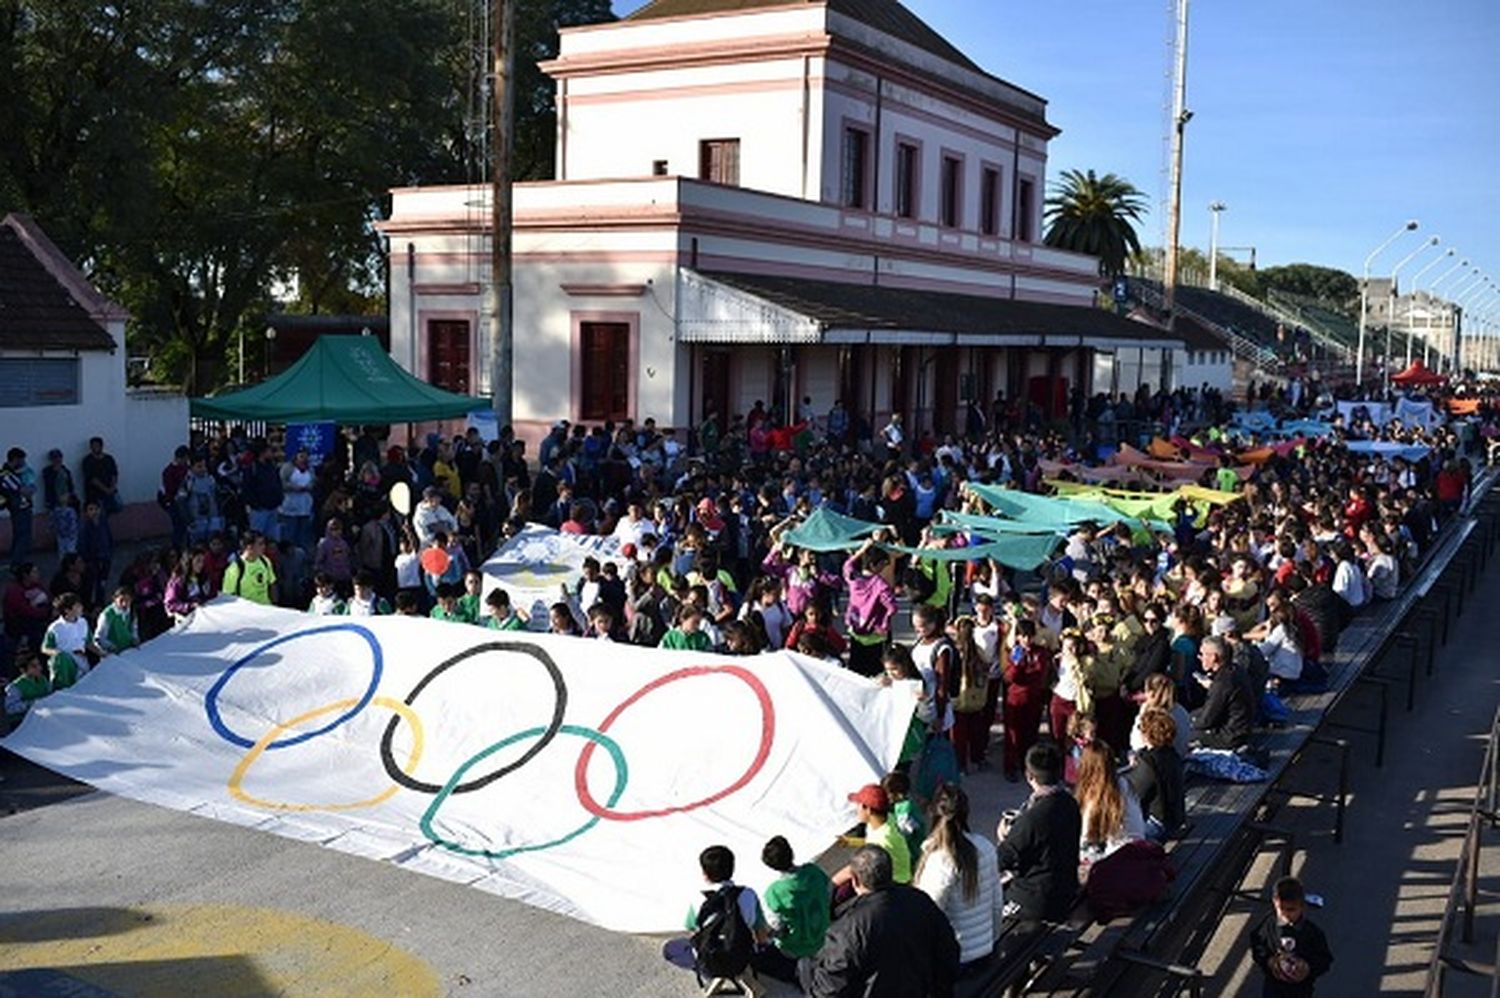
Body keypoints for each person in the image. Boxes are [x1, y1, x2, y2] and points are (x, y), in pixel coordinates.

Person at [800, 845, 960, 998]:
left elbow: (828, 989)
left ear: (854, 880)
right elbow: (949, 950)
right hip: (918, 989)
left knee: (805, 965)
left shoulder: (848, 930)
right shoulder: (919, 900)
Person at [914, 785, 1002, 970]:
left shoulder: (940, 860)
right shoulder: (985, 847)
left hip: (954, 959)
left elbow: (926, 915)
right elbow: (996, 905)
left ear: (933, 812)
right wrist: (992, 942)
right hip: (983, 951)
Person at [997, 742, 1081, 923]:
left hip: (1035, 901)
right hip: (1065, 890)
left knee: (986, 911)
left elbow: (1000, 861)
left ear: (1029, 776)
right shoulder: (1070, 803)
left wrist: (1004, 837)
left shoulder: (1032, 818)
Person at [661, 845, 769, 980]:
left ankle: (704, 971)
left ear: (705, 874)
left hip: (710, 961)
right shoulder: (748, 894)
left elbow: (691, 927)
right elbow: (760, 930)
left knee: (670, 949)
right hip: (741, 959)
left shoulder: (698, 898)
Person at [755, 835, 832, 983]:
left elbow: (776, 926)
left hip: (794, 946)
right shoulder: (814, 871)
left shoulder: (774, 892)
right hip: (822, 934)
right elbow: (828, 892)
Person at [1250, 876, 1334, 997]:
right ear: (1275, 902)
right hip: (1273, 986)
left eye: (1291, 910)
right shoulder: (1269, 924)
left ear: (1302, 907)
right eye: (1281, 909)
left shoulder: (1312, 932)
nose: (1285, 915)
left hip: (1300, 989)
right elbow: (1257, 944)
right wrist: (1269, 961)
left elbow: (1324, 959)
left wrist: (1308, 968)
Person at [1075, 740, 1145, 866]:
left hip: (1116, 859)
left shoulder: (1095, 795)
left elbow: (1085, 837)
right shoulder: (1124, 784)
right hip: (1138, 849)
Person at [833, 783, 912, 888]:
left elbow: (871, 863)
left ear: (868, 809)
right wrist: (850, 841)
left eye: (858, 805)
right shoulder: (884, 820)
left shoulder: (884, 840)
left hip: (897, 882)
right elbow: (870, 841)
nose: (857, 810)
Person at [1003, 618, 1051, 782]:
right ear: (1017, 637)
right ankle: (1010, 766)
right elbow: (1010, 677)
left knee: (1030, 734)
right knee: (1013, 734)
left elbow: (1041, 672)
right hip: (1016, 698)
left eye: (1029, 636)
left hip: (1034, 697)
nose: (1026, 640)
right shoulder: (1015, 652)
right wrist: (1017, 663)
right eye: (1023, 636)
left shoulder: (1041, 652)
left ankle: (1028, 765)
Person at [1128, 709, 1186, 842]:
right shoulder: (1173, 755)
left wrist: (1133, 770)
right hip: (1174, 819)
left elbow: (1136, 794)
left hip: (1157, 823)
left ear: (1147, 734)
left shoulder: (1148, 762)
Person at [1191, 635, 1255, 750]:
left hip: (1230, 736)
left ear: (1213, 657)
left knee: (1186, 733)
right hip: (1243, 728)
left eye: (1202, 654)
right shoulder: (1235, 670)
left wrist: (1189, 722)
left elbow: (1207, 721)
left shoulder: (1222, 682)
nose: (1199, 657)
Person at [41, 592, 99, 689]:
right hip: (63, 665)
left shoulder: (83, 622)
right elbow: (45, 647)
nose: (81, 607)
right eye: (77, 606)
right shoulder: (55, 627)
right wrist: (58, 654)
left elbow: (89, 643)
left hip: (81, 661)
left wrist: (103, 653)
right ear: (67, 610)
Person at [1, 447, 37, 571]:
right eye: (22, 460)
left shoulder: (15, 473)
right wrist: (30, 489)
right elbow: (24, 491)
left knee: (20, 537)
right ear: (15, 459)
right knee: (23, 537)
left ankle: (17, 562)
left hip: (23, 508)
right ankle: (17, 564)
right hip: (19, 509)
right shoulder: (6, 475)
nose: (23, 463)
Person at [222, 531, 278, 606]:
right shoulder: (235, 568)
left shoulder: (265, 561)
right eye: (260, 544)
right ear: (249, 546)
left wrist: (275, 605)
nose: (264, 547)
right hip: (247, 612)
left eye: (264, 543)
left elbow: (272, 583)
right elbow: (228, 596)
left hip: (266, 609)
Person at [4, 652, 50, 731]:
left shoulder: (43, 679)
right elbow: (10, 709)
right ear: (23, 670)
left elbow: (49, 694)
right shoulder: (15, 687)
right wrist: (31, 703)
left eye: (39, 664)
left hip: (41, 718)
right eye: (34, 666)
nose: (39, 668)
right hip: (22, 723)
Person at [94, 586, 140, 656]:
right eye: (121, 600)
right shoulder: (107, 615)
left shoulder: (131, 611)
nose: (124, 603)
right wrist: (112, 647)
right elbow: (99, 638)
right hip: (112, 654)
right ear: (115, 599)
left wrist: (135, 639)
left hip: (128, 651)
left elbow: (134, 628)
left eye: (128, 600)